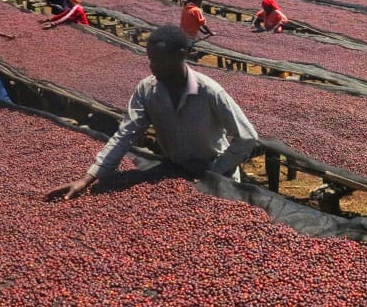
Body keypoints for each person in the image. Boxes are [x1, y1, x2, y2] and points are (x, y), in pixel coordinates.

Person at [45, 26, 259, 201]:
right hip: (178, 174)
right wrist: (88, 178)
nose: (151, 66)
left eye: (158, 60)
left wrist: (214, 171)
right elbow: (126, 134)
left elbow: (247, 136)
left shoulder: (209, 92)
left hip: (218, 178)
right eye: (150, 59)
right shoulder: (147, 91)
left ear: (181, 56)